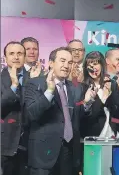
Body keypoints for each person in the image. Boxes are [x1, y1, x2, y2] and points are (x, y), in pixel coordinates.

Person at [24, 47, 95, 175]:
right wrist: (50, 91)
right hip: (43, 154)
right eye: (62, 61)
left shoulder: (75, 87)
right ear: (51, 63)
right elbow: (32, 113)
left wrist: (87, 104)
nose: (66, 66)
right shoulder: (35, 84)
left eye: (69, 62)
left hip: (69, 152)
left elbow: (77, 118)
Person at [1, 42, 30, 175]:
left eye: (20, 53)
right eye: (11, 54)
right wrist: (13, 86)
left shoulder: (35, 79)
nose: (16, 57)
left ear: (25, 57)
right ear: (5, 58)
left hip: (31, 146)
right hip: (5, 146)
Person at [80, 51, 119, 138]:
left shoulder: (112, 84)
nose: (92, 67)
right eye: (89, 65)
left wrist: (110, 97)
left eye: (95, 64)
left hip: (112, 134)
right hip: (93, 135)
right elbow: (88, 117)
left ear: (102, 66)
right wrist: (103, 99)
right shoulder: (83, 87)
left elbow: (117, 112)